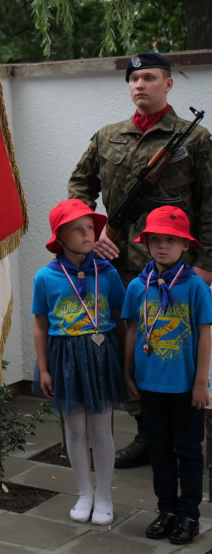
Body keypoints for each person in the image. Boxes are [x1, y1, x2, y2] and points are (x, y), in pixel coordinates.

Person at [68, 50, 212, 468]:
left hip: (174, 269)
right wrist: (89, 236)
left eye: (150, 78)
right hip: (115, 266)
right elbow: (79, 186)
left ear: (168, 84)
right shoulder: (107, 136)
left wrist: (205, 264)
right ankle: (147, 434)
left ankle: (178, 434)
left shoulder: (194, 139)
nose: (140, 85)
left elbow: (209, 203)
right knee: (126, 347)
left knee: (171, 346)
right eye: (134, 79)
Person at [32, 199, 127, 525]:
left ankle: (104, 496)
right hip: (65, 357)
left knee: (102, 427)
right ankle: (84, 493)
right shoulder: (45, 277)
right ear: (60, 236)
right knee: (74, 429)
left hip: (102, 355)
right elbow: (40, 324)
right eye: (78, 229)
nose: (88, 234)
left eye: (91, 227)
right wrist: (44, 369)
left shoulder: (109, 272)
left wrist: (126, 369)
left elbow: (121, 317)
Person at [122, 206, 212, 545]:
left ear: (185, 245)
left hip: (185, 386)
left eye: (171, 241)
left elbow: (205, 333)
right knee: (158, 449)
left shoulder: (195, 287)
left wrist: (201, 382)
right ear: (146, 242)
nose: (162, 247)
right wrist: (128, 375)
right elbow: (132, 331)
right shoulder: (137, 286)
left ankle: (189, 514)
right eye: (156, 240)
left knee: (188, 451)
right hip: (150, 384)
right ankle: (167, 510)